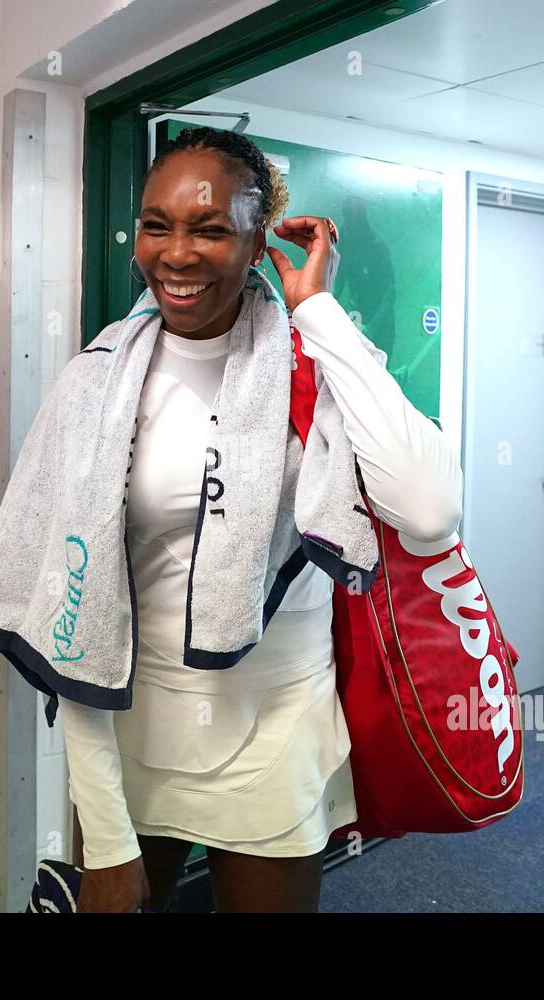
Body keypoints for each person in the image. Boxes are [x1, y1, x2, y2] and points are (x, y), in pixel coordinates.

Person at [55, 127, 464, 912]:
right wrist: (104, 835)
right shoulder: (98, 379)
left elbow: (429, 506)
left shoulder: (314, 364)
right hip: (129, 735)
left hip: (274, 730)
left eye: (210, 228)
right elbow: (66, 610)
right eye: (156, 224)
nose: (176, 252)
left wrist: (320, 313)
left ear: (257, 243)